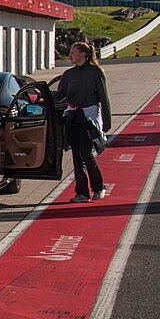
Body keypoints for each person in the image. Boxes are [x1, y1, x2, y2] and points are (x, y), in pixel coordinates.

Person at [55, 41, 112, 203]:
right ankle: (82, 193)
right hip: (73, 116)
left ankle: (99, 187)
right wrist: (40, 95)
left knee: (85, 153)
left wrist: (106, 123)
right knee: (76, 155)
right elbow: (60, 95)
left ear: (83, 54)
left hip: (89, 116)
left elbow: (103, 97)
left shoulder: (96, 72)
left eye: (73, 52)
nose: (70, 55)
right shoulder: (68, 74)